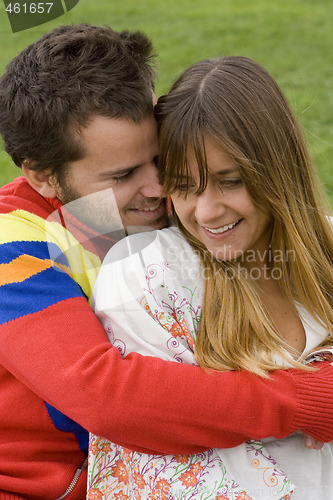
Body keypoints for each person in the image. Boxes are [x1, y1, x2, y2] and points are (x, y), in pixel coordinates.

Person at [0, 24, 333, 500]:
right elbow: (106, 395)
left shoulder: (135, 206)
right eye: (124, 174)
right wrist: (302, 401)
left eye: (160, 158)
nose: (160, 189)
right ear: (41, 175)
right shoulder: (11, 246)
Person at [88, 57, 333, 499]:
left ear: (278, 169)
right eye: (183, 185)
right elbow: (155, 432)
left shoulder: (326, 247)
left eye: (230, 181)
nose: (206, 212)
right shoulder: (146, 274)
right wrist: (306, 404)